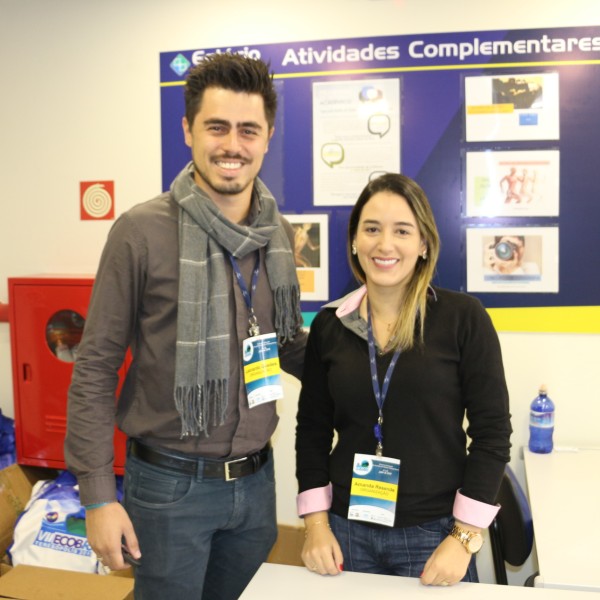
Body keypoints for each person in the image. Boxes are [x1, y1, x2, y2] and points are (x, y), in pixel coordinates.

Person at [65, 53, 307, 600]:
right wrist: (99, 497)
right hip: (169, 487)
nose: (232, 145)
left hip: (255, 483)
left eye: (248, 130)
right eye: (216, 127)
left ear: (267, 136)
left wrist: (373, 360)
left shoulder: (276, 233)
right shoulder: (140, 232)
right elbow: (97, 365)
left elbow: (284, 341)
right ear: (187, 130)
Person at [295, 173, 511, 586]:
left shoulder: (463, 319)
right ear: (355, 241)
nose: (385, 244)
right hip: (345, 531)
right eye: (371, 229)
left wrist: (463, 538)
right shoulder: (330, 325)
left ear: (424, 243)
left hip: (434, 534)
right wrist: (316, 525)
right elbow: (312, 431)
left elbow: (492, 433)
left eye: (402, 231)